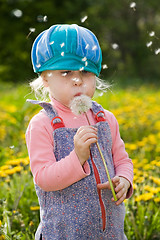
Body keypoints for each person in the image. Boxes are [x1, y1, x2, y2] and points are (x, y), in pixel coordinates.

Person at [26, 24, 133, 240]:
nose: (77, 80)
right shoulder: (43, 124)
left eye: (85, 71)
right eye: (66, 72)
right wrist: (77, 158)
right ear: (45, 79)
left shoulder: (105, 119)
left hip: (110, 232)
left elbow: (122, 159)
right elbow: (44, 178)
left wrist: (124, 179)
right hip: (64, 233)